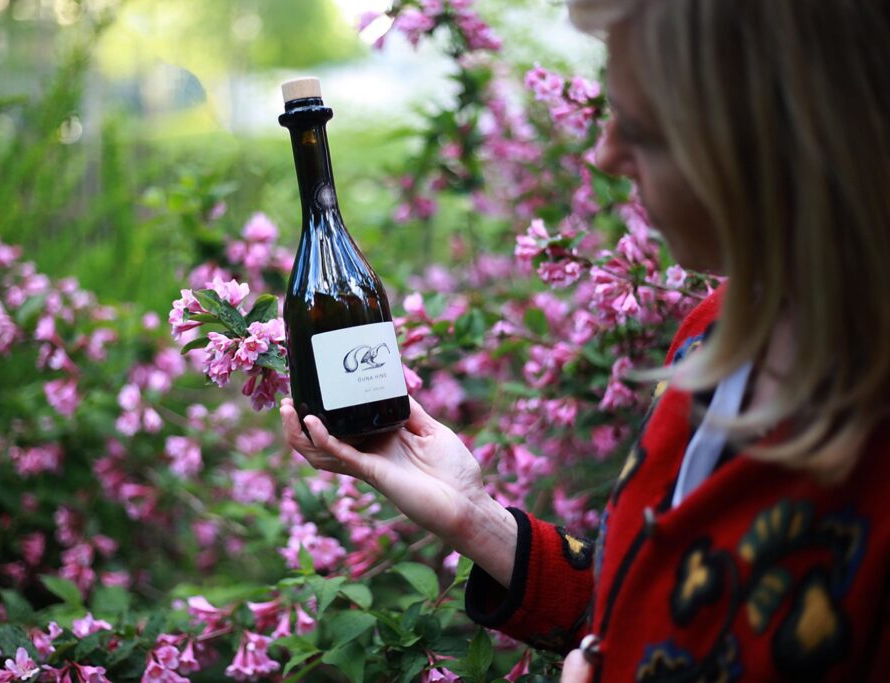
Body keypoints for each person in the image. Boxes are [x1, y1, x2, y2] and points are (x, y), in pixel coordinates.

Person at [281, 0, 890, 679]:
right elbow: (648, 605)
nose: (606, 156)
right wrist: (474, 517)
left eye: (644, 130)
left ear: (774, 138)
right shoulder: (714, 333)